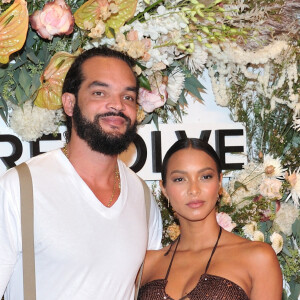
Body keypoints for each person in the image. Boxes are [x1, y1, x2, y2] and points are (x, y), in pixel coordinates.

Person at [0, 47, 162, 299]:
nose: (117, 105)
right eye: (100, 92)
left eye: (128, 97)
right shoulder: (20, 187)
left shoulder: (142, 197)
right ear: (69, 103)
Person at [137, 138, 282, 300]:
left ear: (219, 181)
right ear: (164, 189)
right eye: (179, 179)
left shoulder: (258, 258)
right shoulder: (146, 264)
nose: (194, 190)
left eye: (205, 177)